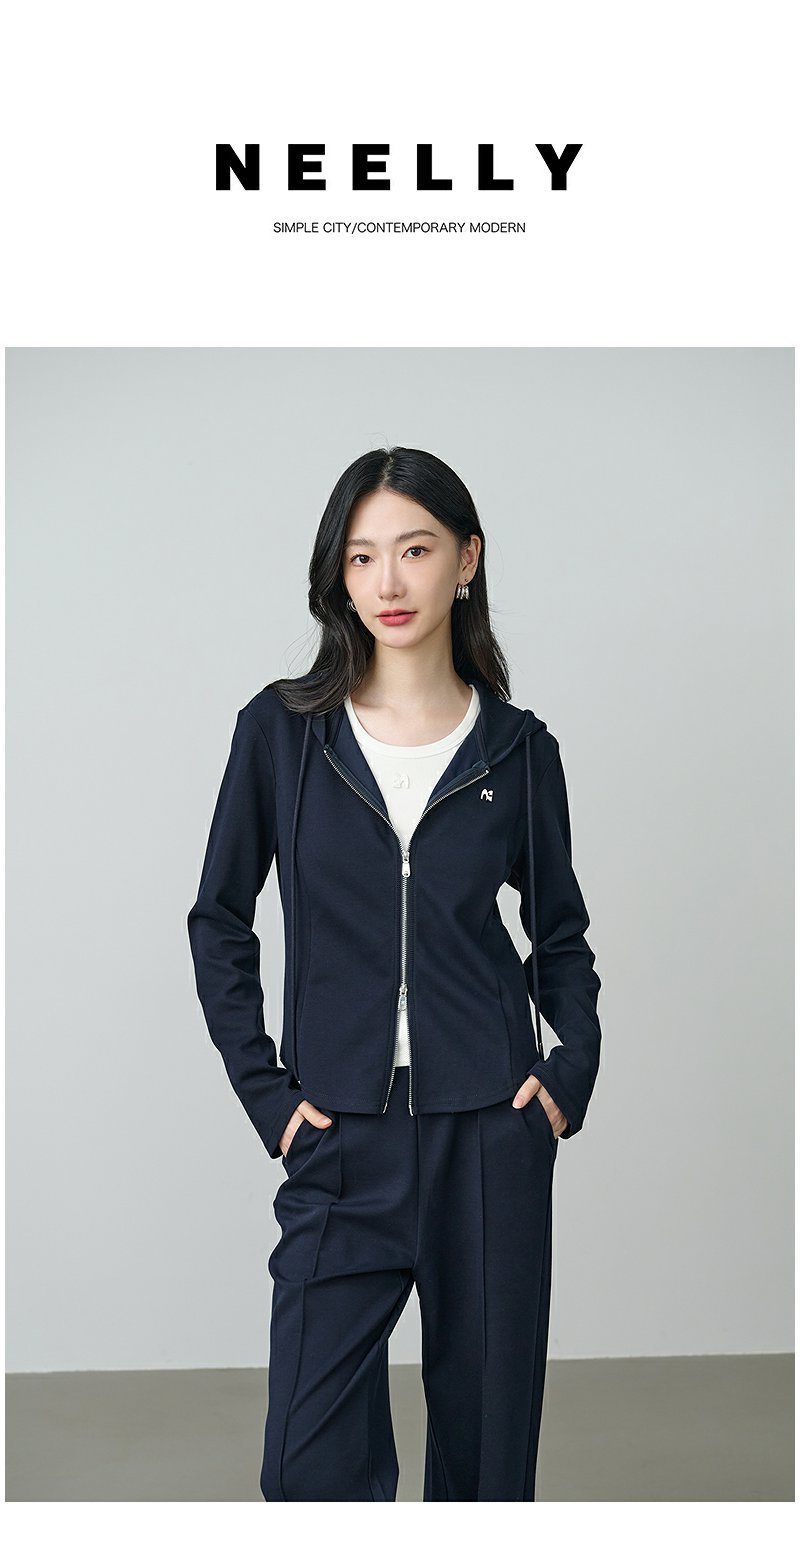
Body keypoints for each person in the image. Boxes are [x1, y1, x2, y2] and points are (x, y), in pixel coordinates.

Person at [186, 445, 602, 1502]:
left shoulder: (517, 751)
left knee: (485, 1465)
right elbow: (218, 921)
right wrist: (267, 1094)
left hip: (490, 1134)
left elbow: (559, 937)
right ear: (338, 573)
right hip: (337, 1135)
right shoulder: (282, 735)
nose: (388, 581)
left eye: (414, 550)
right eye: (362, 556)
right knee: (307, 1466)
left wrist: (568, 1075)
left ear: (466, 560)